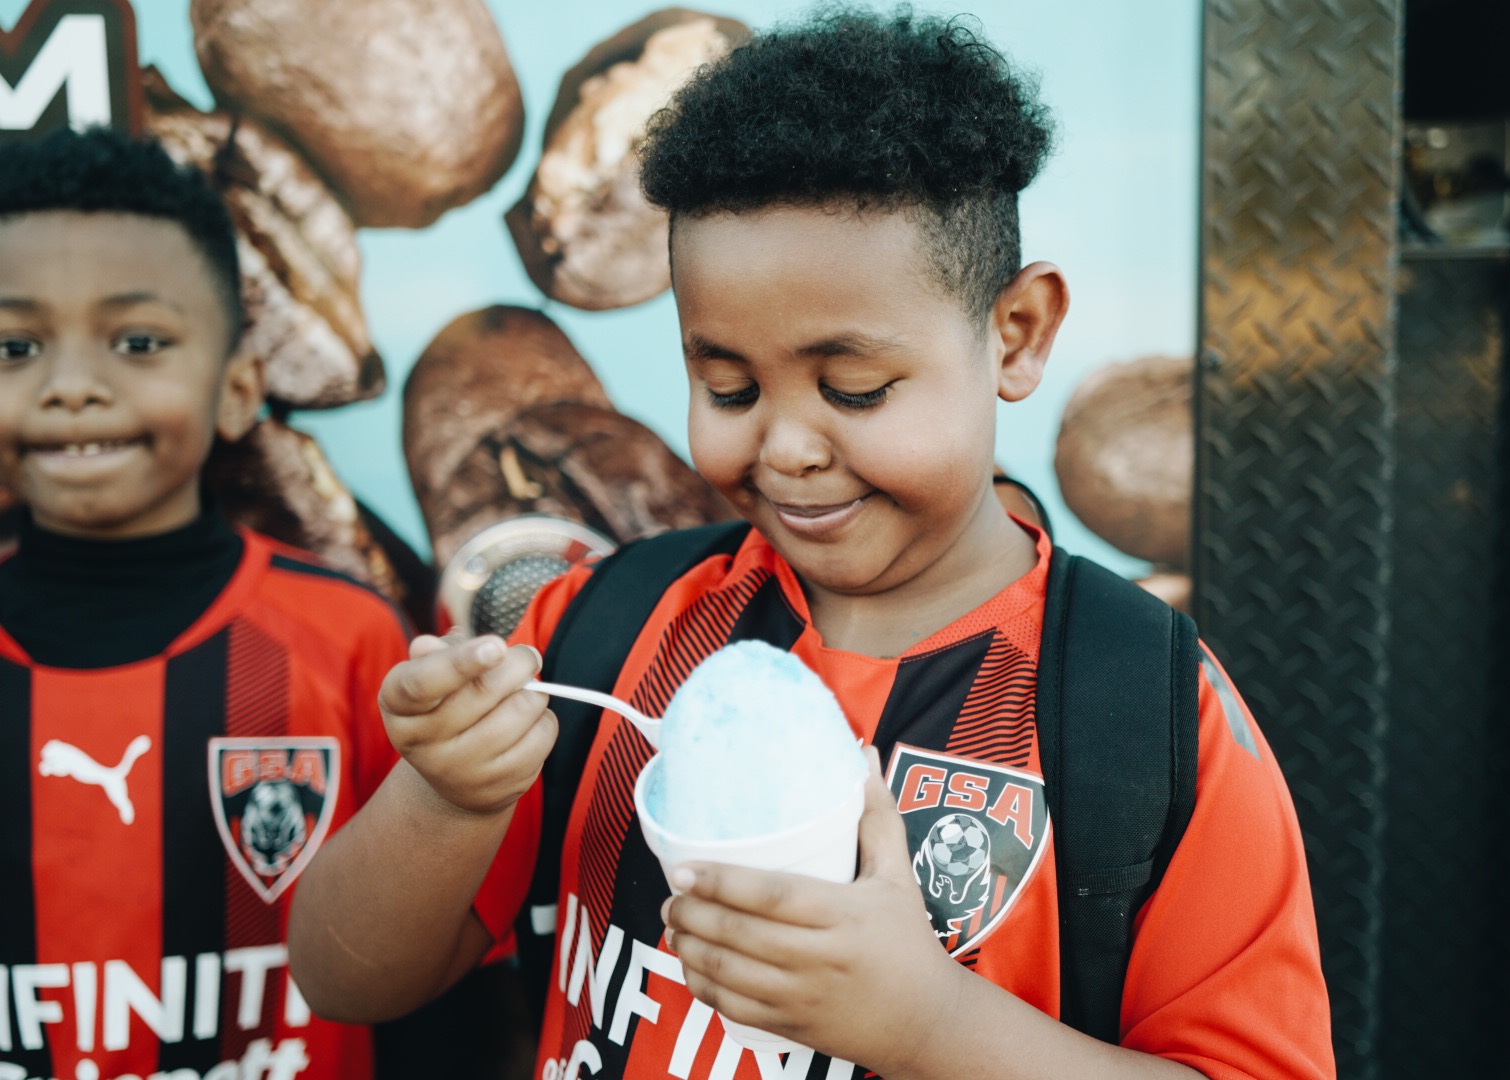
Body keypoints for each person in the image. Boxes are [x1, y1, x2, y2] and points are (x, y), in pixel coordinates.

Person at [289, 8, 1335, 1079]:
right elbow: (342, 978)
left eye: (854, 387)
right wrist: (447, 797)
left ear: (1014, 334)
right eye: (728, 387)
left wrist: (926, 1023)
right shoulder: (598, 632)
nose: (786, 448)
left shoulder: (1140, 708)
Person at [0, 127, 408, 1080]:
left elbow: (439, 980)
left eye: (137, 342)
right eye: (15, 345)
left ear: (236, 390)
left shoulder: (348, 640)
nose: (71, 388)